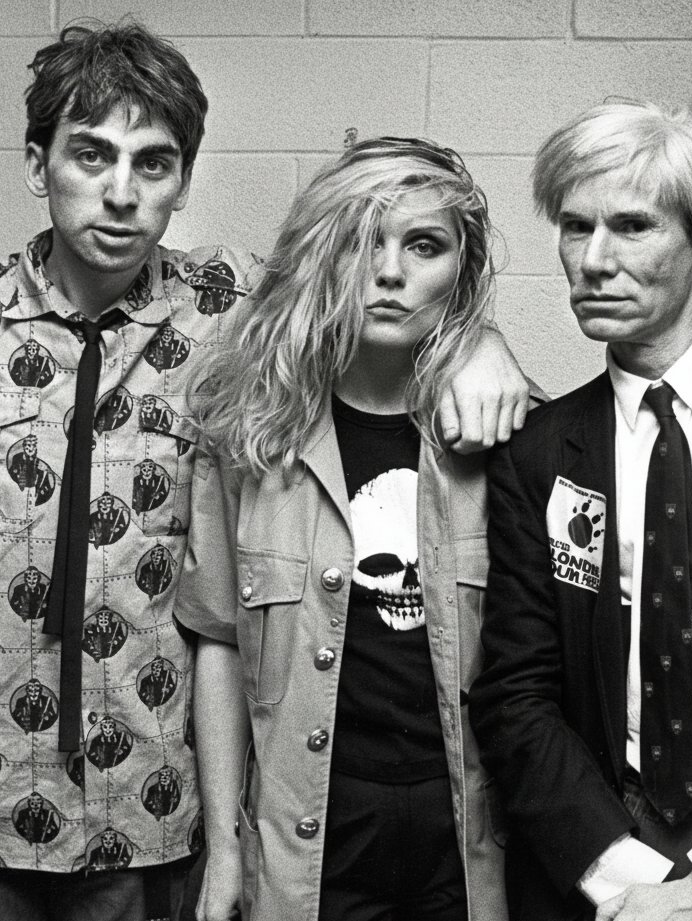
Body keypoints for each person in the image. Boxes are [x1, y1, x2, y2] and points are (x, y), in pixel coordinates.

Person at [0, 21, 534, 921]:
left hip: (151, 811)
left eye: (154, 164)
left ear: (182, 182)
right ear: (34, 164)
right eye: (90, 156)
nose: (121, 194)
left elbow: (375, 285)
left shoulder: (238, 308)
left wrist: (484, 345)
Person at [176, 136, 545, 921]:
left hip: (472, 845)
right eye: (359, 241)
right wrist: (226, 851)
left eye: (423, 245)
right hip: (305, 842)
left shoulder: (513, 436)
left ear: (462, 270)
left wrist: (488, 341)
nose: (388, 272)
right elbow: (217, 641)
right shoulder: (246, 436)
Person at [469, 100, 692, 921]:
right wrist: (623, 880)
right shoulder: (537, 451)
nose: (592, 260)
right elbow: (513, 694)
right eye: (574, 227)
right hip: (609, 850)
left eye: (631, 227)